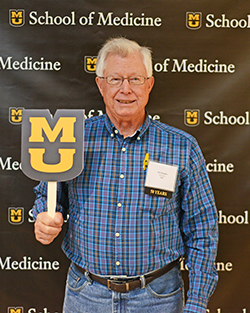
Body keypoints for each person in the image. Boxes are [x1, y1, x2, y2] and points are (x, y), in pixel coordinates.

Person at [33, 37, 218, 313]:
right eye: (115, 79)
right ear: (100, 84)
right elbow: (47, 195)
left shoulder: (181, 147)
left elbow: (203, 229)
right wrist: (43, 216)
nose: (126, 89)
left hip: (159, 299)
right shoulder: (72, 138)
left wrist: (197, 304)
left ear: (150, 84)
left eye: (135, 79)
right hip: (86, 296)